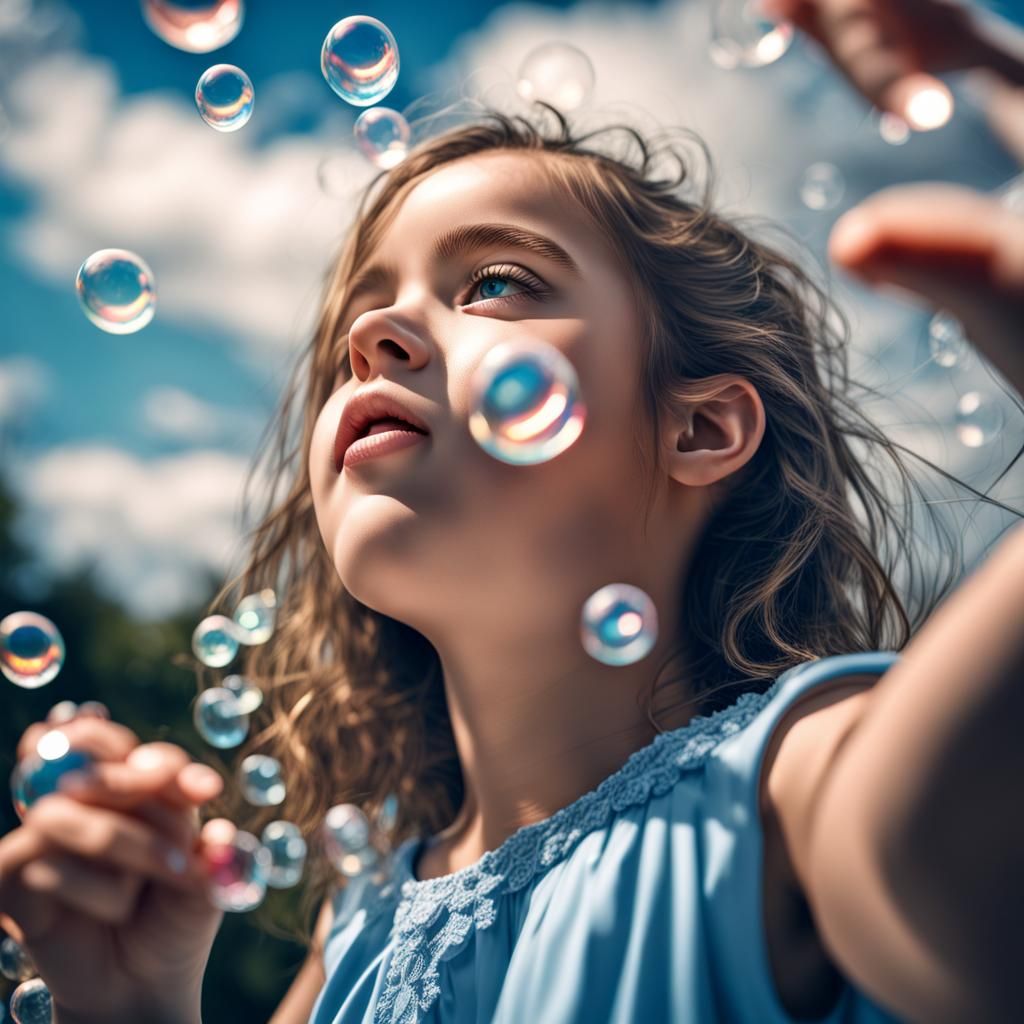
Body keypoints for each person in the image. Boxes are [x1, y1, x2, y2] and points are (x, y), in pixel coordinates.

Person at [1, 2, 1023, 1021]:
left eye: (492, 282)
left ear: (700, 430)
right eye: (362, 309)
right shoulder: (351, 935)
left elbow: (938, 864)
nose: (376, 331)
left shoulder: (799, 786)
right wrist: (134, 1006)